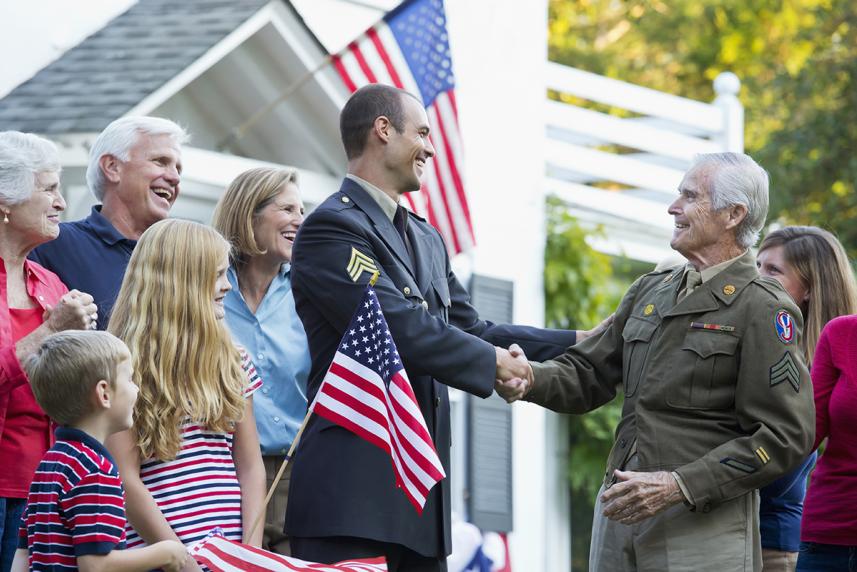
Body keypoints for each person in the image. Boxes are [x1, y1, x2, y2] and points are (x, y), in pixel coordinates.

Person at [285, 83, 603, 571]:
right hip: (351, 499)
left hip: (421, 500)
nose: (431, 147)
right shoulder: (330, 228)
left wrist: (580, 342)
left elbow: (472, 328)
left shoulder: (427, 237)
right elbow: (395, 325)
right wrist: (493, 365)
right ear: (383, 131)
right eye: (423, 133)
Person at [506, 153, 815, 571]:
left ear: (733, 214)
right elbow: (588, 373)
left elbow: (785, 436)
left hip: (702, 530)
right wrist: (527, 377)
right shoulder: (650, 291)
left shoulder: (763, 308)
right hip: (619, 516)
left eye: (690, 196)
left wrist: (679, 485)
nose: (674, 207)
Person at [105, 220, 265, 571]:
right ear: (182, 281)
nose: (227, 286)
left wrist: (250, 553)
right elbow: (124, 476)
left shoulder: (233, 360)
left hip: (228, 555)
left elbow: (251, 465)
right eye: (218, 275)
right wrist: (179, 559)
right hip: (157, 556)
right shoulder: (121, 366)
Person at [0, 131, 98, 570]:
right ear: (6, 201)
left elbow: (68, 387)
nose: (61, 203)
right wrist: (52, 329)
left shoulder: (47, 282)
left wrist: (86, 341)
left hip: (45, 486)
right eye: (49, 189)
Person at [10, 330, 187, 572]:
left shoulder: (49, 464)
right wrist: (165, 552)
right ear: (104, 393)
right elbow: (95, 565)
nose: (136, 390)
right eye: (130, 379)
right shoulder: (96, 471)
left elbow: (23, 553)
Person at [212, 167, 310, 554]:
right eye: (287, 209)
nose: (299, 221)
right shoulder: (210, 288)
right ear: (249, 214)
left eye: (301, 210)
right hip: (222, 471)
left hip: (296, 475)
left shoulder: (307, 290)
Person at [755, 226, 857, 571]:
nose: (757, 280)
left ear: (812, 287)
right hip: (826, 537)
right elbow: (800, 439)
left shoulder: (807, 361)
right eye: (757, 267)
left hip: (772, 532)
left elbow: (788, 468)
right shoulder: (841, 336)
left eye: (773, 270)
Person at [30, 116, 188, 326]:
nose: (175, 178)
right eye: (160, 162)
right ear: (112, 167)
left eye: (178, 169)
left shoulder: (183, 258)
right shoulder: (52, 244)